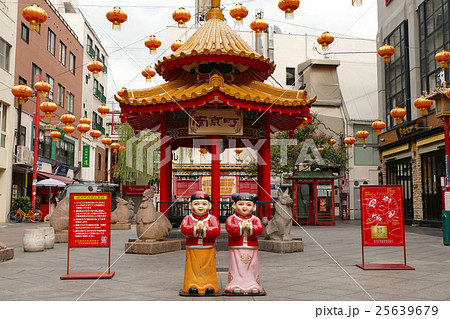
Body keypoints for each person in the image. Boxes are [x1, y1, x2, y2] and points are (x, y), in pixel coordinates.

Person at [180, 191, 221, 296]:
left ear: (210, 205)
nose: (200, 207)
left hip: (208, 248)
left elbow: (216, 231)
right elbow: (184, 229)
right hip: (193, 248)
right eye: (196, 204)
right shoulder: (187, 219)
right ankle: (191, 285)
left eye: (204, 204)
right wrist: (195, 228)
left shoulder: (212, 219)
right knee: (192, 268)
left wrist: (204, 229)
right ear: (190, 206)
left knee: (209, 268)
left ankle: (210, 285)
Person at [224, 193, 265, 295]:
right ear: (234, 206)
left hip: (251, 247)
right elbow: (230, 228)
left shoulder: (255, 219)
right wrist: (242, 227)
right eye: (241, 204)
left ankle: (253, 284)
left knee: (252, 267)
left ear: (254, 207)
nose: (245, 207)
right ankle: (234, 284)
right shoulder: (231, 219)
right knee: (236, 267)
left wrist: (249, 228)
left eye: (248, 205)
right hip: (236, 248)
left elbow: (259, 229)